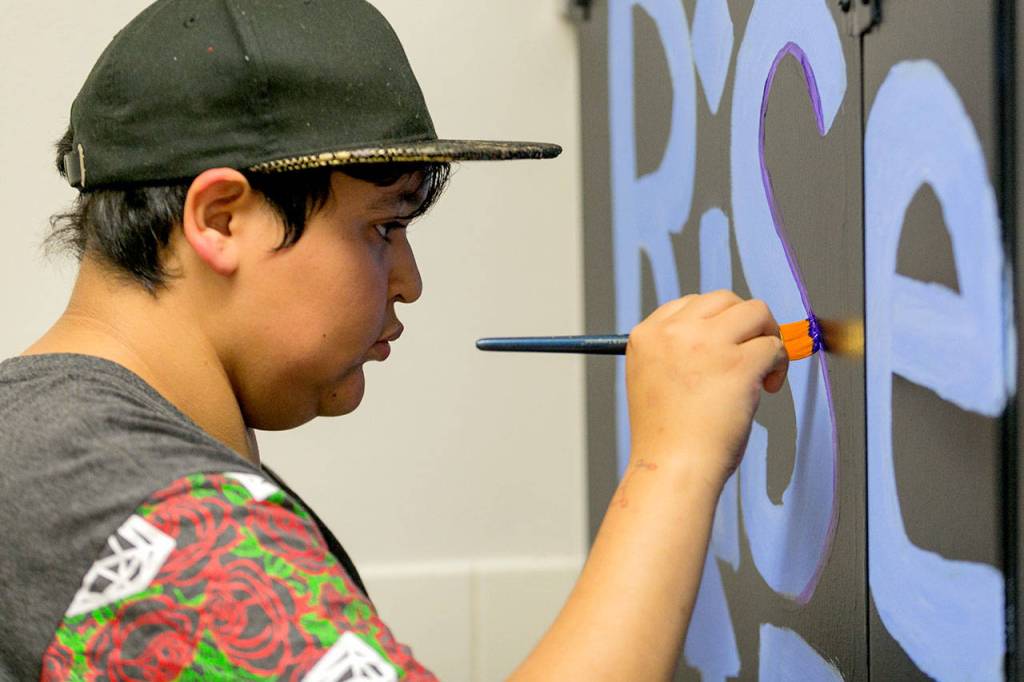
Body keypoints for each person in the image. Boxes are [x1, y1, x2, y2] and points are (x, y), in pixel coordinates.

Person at [0, 1, 789, 680]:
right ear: (221, 219)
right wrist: (674, 463)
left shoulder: (45, 447)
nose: (409, 281)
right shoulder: (159, 512)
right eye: (383, 227)